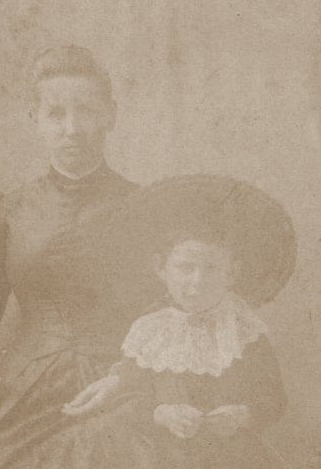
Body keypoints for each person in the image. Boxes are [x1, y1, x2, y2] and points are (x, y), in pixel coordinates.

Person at [0, 45, 155, 469]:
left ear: (111, 115)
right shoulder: (6, 212)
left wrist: (125, 377)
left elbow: (165, 318)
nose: (72, 128)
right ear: (35, 121)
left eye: (86, 111)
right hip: (24, 384)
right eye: (55, 114)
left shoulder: (148, 209)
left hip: (119, 384)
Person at [64, 174, 296, 469]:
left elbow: (272, 398)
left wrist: (241, 415)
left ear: (232, 272)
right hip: (159, 453)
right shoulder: (151, 330)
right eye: (186, 268)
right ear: (161, 268)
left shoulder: (243, 330)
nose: (198, 281)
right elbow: (130, 395)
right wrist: (162, 412)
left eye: (212, 268)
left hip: (233, 455)